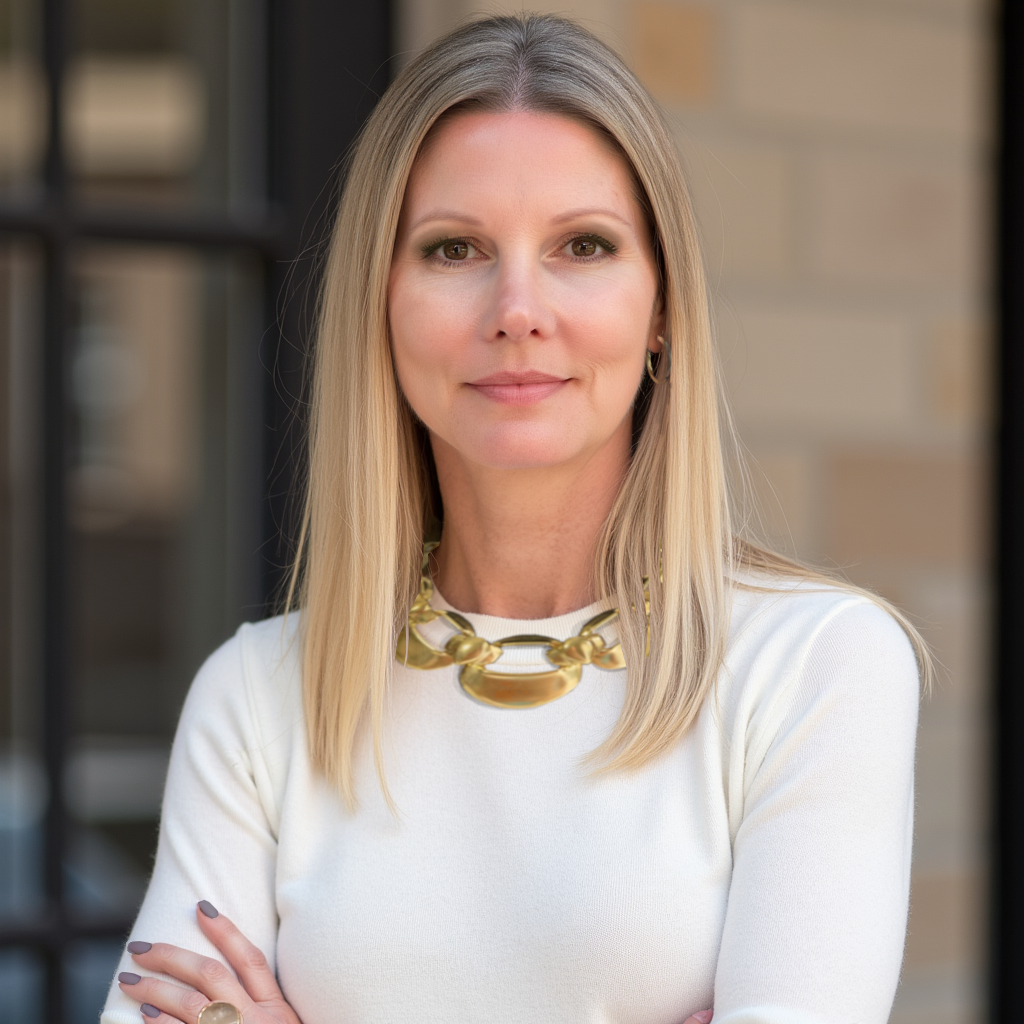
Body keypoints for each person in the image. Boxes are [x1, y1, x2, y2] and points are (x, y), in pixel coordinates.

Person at [101, 14, 926, 1024]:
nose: (518, 307)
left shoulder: (815, 667)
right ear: (381, 302)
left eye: (583, 245)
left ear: (661, 304)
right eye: (455, 248)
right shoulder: (258, 699)